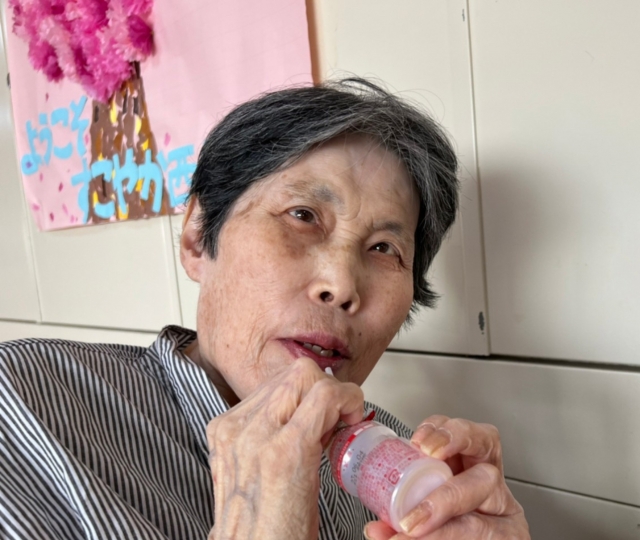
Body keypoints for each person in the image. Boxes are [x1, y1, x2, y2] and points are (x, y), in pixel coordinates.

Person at [0, 79, 530, 540]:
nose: (341, 285)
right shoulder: (25, 403)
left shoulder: (398, 464)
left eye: (384, 248)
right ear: (197, 236)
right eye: (303, 215)